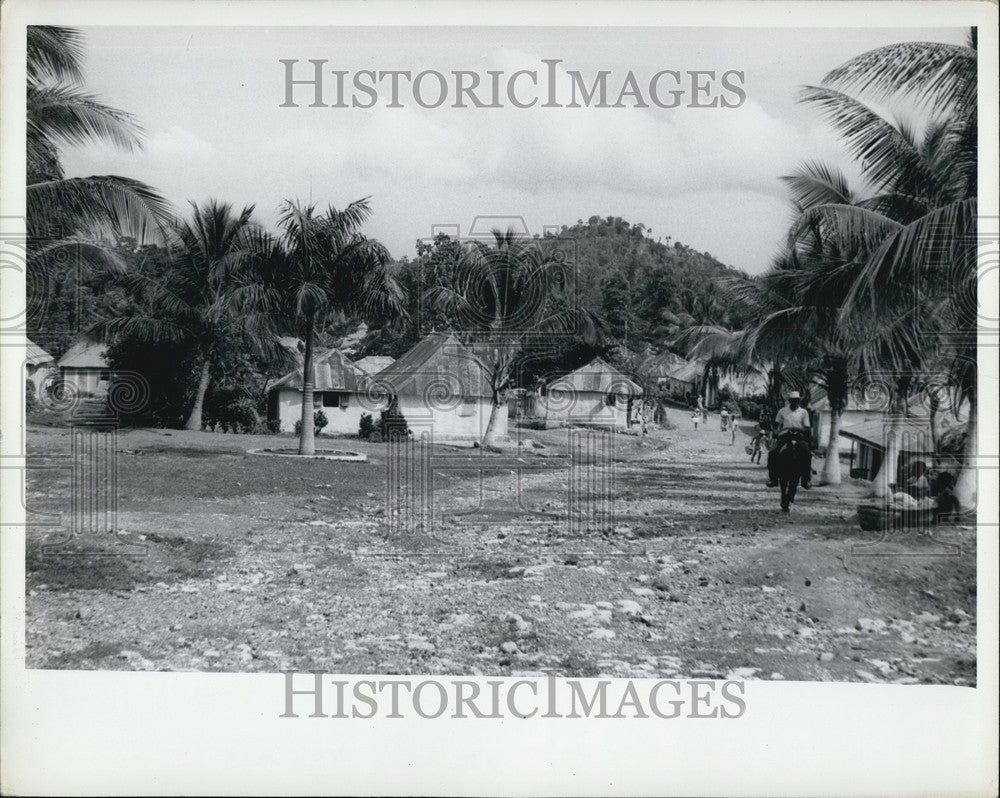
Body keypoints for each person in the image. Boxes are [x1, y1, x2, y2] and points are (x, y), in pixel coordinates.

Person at [766, 391, 813, 489]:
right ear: (789, 401)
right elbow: (776, 425)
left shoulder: (804, 412)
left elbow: (807, 428)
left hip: (799, 436)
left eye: (796, 401)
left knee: (807, 454)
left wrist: (797, 429)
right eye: (792, 401)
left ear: (799, 401)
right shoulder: (782, 411)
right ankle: (773, 479)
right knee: (772, 453)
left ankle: (806, 480)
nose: (794, 403)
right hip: (785, 435)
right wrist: (775, 432)